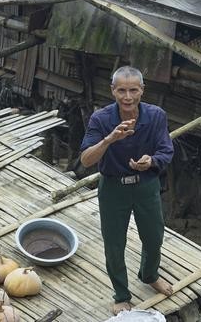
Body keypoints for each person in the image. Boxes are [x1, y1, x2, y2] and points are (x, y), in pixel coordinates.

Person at [80, 66, 174, 315]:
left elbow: (166, 150)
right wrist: (109, 139)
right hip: (113, 188)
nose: (128, 97)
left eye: (133, 90)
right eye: (122, 90)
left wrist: (151, 161)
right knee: (114, 244)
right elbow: (86, 160)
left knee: (154, 238)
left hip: (146, 185)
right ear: (113, 91)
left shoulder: (156, 116)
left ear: (142, 90)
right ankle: (121, 294)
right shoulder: (100, 119)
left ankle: (149, 275)